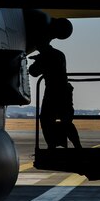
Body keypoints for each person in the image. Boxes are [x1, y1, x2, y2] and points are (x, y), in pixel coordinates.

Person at [28, 17, 82, 149]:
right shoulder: (59, 54)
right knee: (66, 122)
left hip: (53, 92)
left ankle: (52, 146)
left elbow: (33, 72)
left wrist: (37, 60)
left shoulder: (46, 56)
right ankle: (77, 147)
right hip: (64, 91)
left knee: (46, 120)